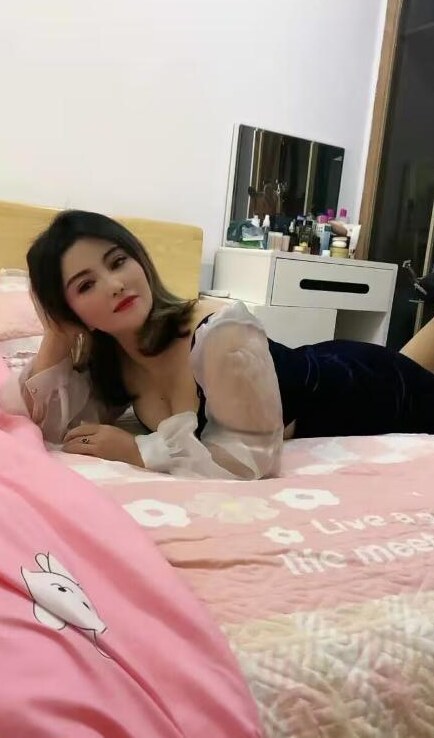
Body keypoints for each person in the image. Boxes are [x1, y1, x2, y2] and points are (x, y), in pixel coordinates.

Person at [3, 208, 434, 481]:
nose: (115, 284)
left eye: (118, 262)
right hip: (326, 372)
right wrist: (57, 333)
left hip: (365, 387)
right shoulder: (111, 361)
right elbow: (51, 430)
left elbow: (251, 460)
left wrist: (138, 451)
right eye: (85, 285)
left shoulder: (219, 333)